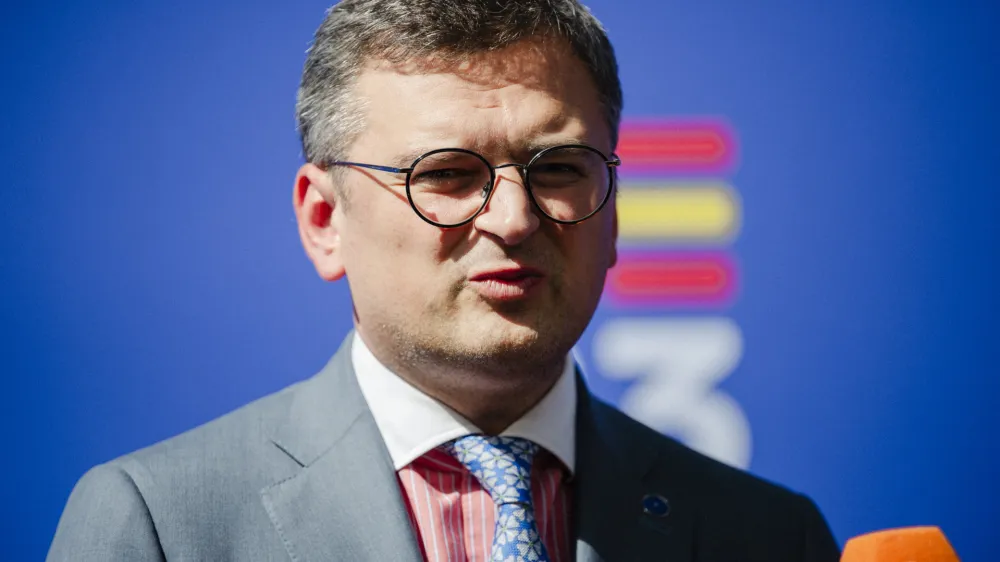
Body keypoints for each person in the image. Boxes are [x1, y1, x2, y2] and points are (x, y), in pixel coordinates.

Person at [48, 1, 840, 560]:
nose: (515, 218)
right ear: (324, 220)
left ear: (615, 211)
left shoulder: (770, 537)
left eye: (559, 168)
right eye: (448, 174)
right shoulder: (160, 527)